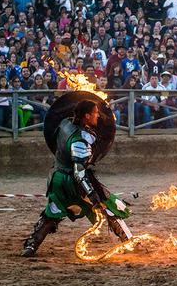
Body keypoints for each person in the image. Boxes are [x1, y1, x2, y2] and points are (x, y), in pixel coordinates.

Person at [22, 100, 131, 257]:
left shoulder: (65, 124)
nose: (98, 116)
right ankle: (129, 240)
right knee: (107, 204)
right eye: (95, 113)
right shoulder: (81, 138)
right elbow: (79, 171)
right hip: (72, 181)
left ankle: (31, 245)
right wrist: (93, 194)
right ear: (87, 116)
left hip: (57, 177)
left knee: (52, 213)